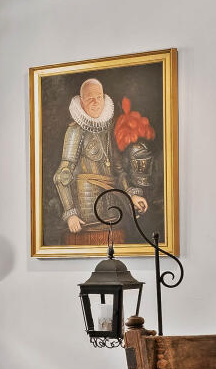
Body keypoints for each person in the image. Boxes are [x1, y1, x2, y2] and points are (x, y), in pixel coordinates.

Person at [53, 75, 148, 245]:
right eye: (90, 99)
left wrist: (132, 195)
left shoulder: (109, 129)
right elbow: (63, 174)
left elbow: (118, 170)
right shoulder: (75, 131)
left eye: (98, 98)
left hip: (112, 211)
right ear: (81, 103)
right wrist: (70, 213)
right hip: (86, 214)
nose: (95, 102)